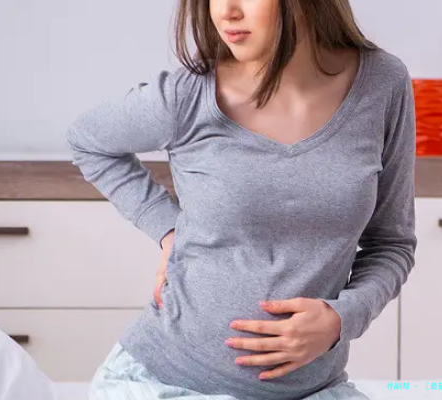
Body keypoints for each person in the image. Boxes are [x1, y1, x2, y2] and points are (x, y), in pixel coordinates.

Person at [65, 0, 417, 399]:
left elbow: (392, 244)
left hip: (315, 390)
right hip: (168, 383)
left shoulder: (382, 83)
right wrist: (167, 230)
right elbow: (87, 140)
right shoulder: (186, 96)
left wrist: (342, 318)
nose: (226, 12)